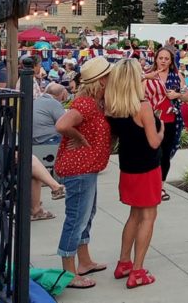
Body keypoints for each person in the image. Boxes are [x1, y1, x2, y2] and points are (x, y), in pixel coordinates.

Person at [53, 57, 113, 289]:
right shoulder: (86, 103)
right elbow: (62, 125)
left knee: (87, 214)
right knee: (76, 218)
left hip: (88, 168)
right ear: (100, 81)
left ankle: (85, 261)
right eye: (108, 76)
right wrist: (79, 138)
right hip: (80, 169)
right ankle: (69, 272)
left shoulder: (96, 102)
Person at [105, 59, 163, 289]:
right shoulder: (143, 106)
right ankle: (137, 271)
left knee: (134, 216)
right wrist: (161, 130)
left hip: (127, 168)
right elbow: (153, 142)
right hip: (147, 169)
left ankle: (124, 262)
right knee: (148, 217)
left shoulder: (113, 107)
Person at [143, 47, 186, 201]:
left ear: (171, 61)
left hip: (170, 119)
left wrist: (178, 95)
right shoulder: (147, 75)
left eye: (166, 58)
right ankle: (149, 184)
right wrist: (146, 78)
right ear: (155, 59)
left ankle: (160, 186)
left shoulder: (177, 75)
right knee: (150, 152)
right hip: (149, 119)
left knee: (165, 154)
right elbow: (137, 93)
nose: (163, 61)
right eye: (160, 58)